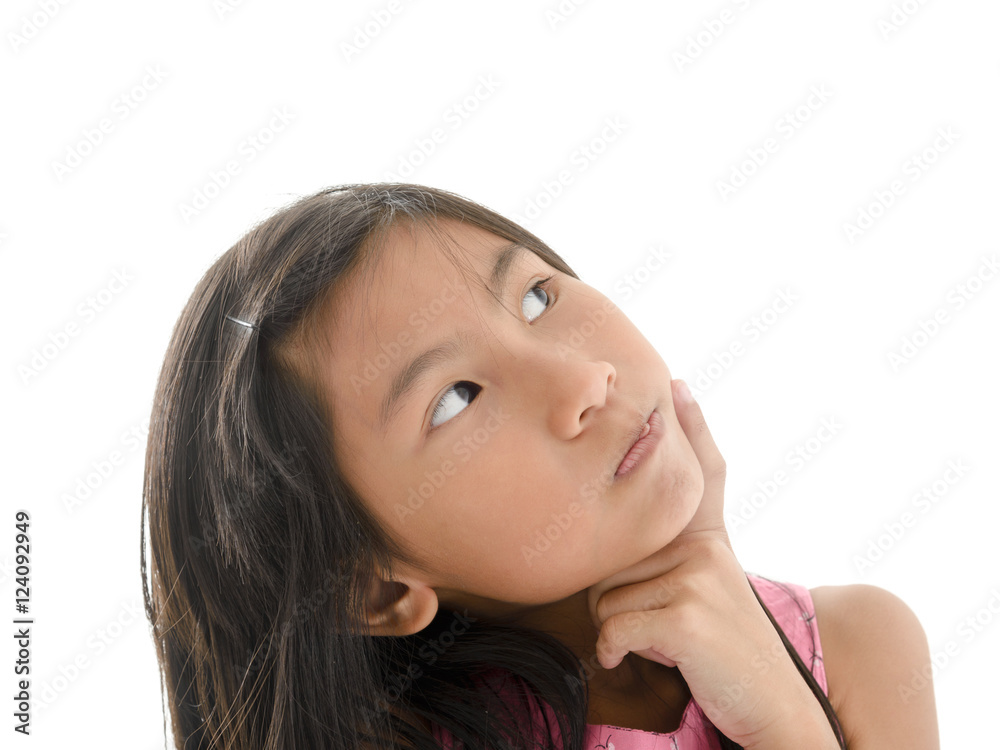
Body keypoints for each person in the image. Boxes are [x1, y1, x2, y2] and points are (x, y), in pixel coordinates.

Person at [141, 183, 939, 749]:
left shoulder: (856, 646)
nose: (584, 381)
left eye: (534, 299)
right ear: (377, 589)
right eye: (455, 397)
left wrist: (785, 706)